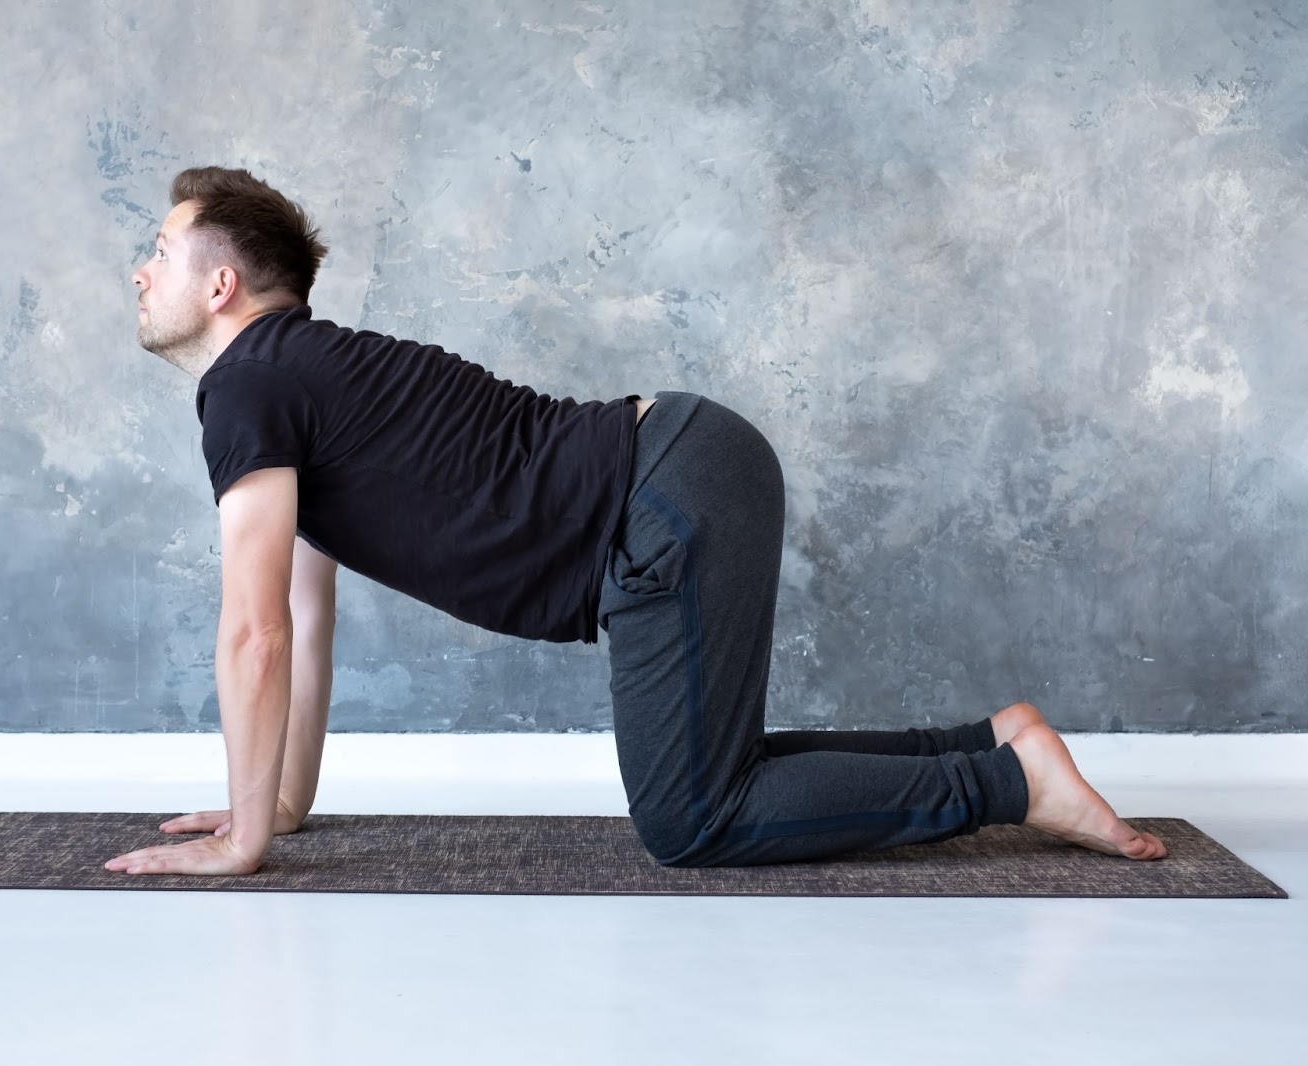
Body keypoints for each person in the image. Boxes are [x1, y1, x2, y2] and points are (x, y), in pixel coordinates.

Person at [105, 166, 1167, 877]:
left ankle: (1008, 782)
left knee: (691, 818)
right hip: (682, 470)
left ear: (222, 283)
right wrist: (276, 808)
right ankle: (992, 744)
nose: (142, 268)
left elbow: (254, 634)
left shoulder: (250, 386)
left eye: (160, 247)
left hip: (662, 498)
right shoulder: (298, 378)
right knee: (717, 769)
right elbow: (301, 601)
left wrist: (240, 842)